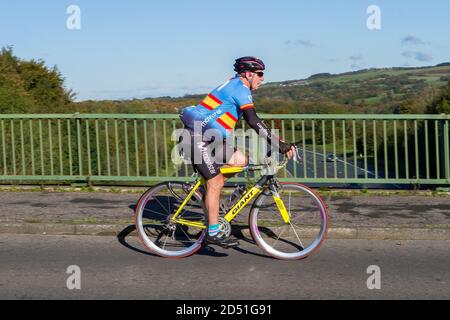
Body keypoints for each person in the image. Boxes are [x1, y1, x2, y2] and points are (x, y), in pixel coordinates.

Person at [179, 56, 296, 248]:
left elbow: (255, 121)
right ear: (248, 74)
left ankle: (209, 194)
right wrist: (278, 145)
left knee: (241, 160)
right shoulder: (239, 88)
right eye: (259, 74)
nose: (262, 78)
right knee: (215, 181)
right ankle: (213, 232)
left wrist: (279, 141)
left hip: (211, 139)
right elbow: (253, 120)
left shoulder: (237, 86)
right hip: (196, 138)